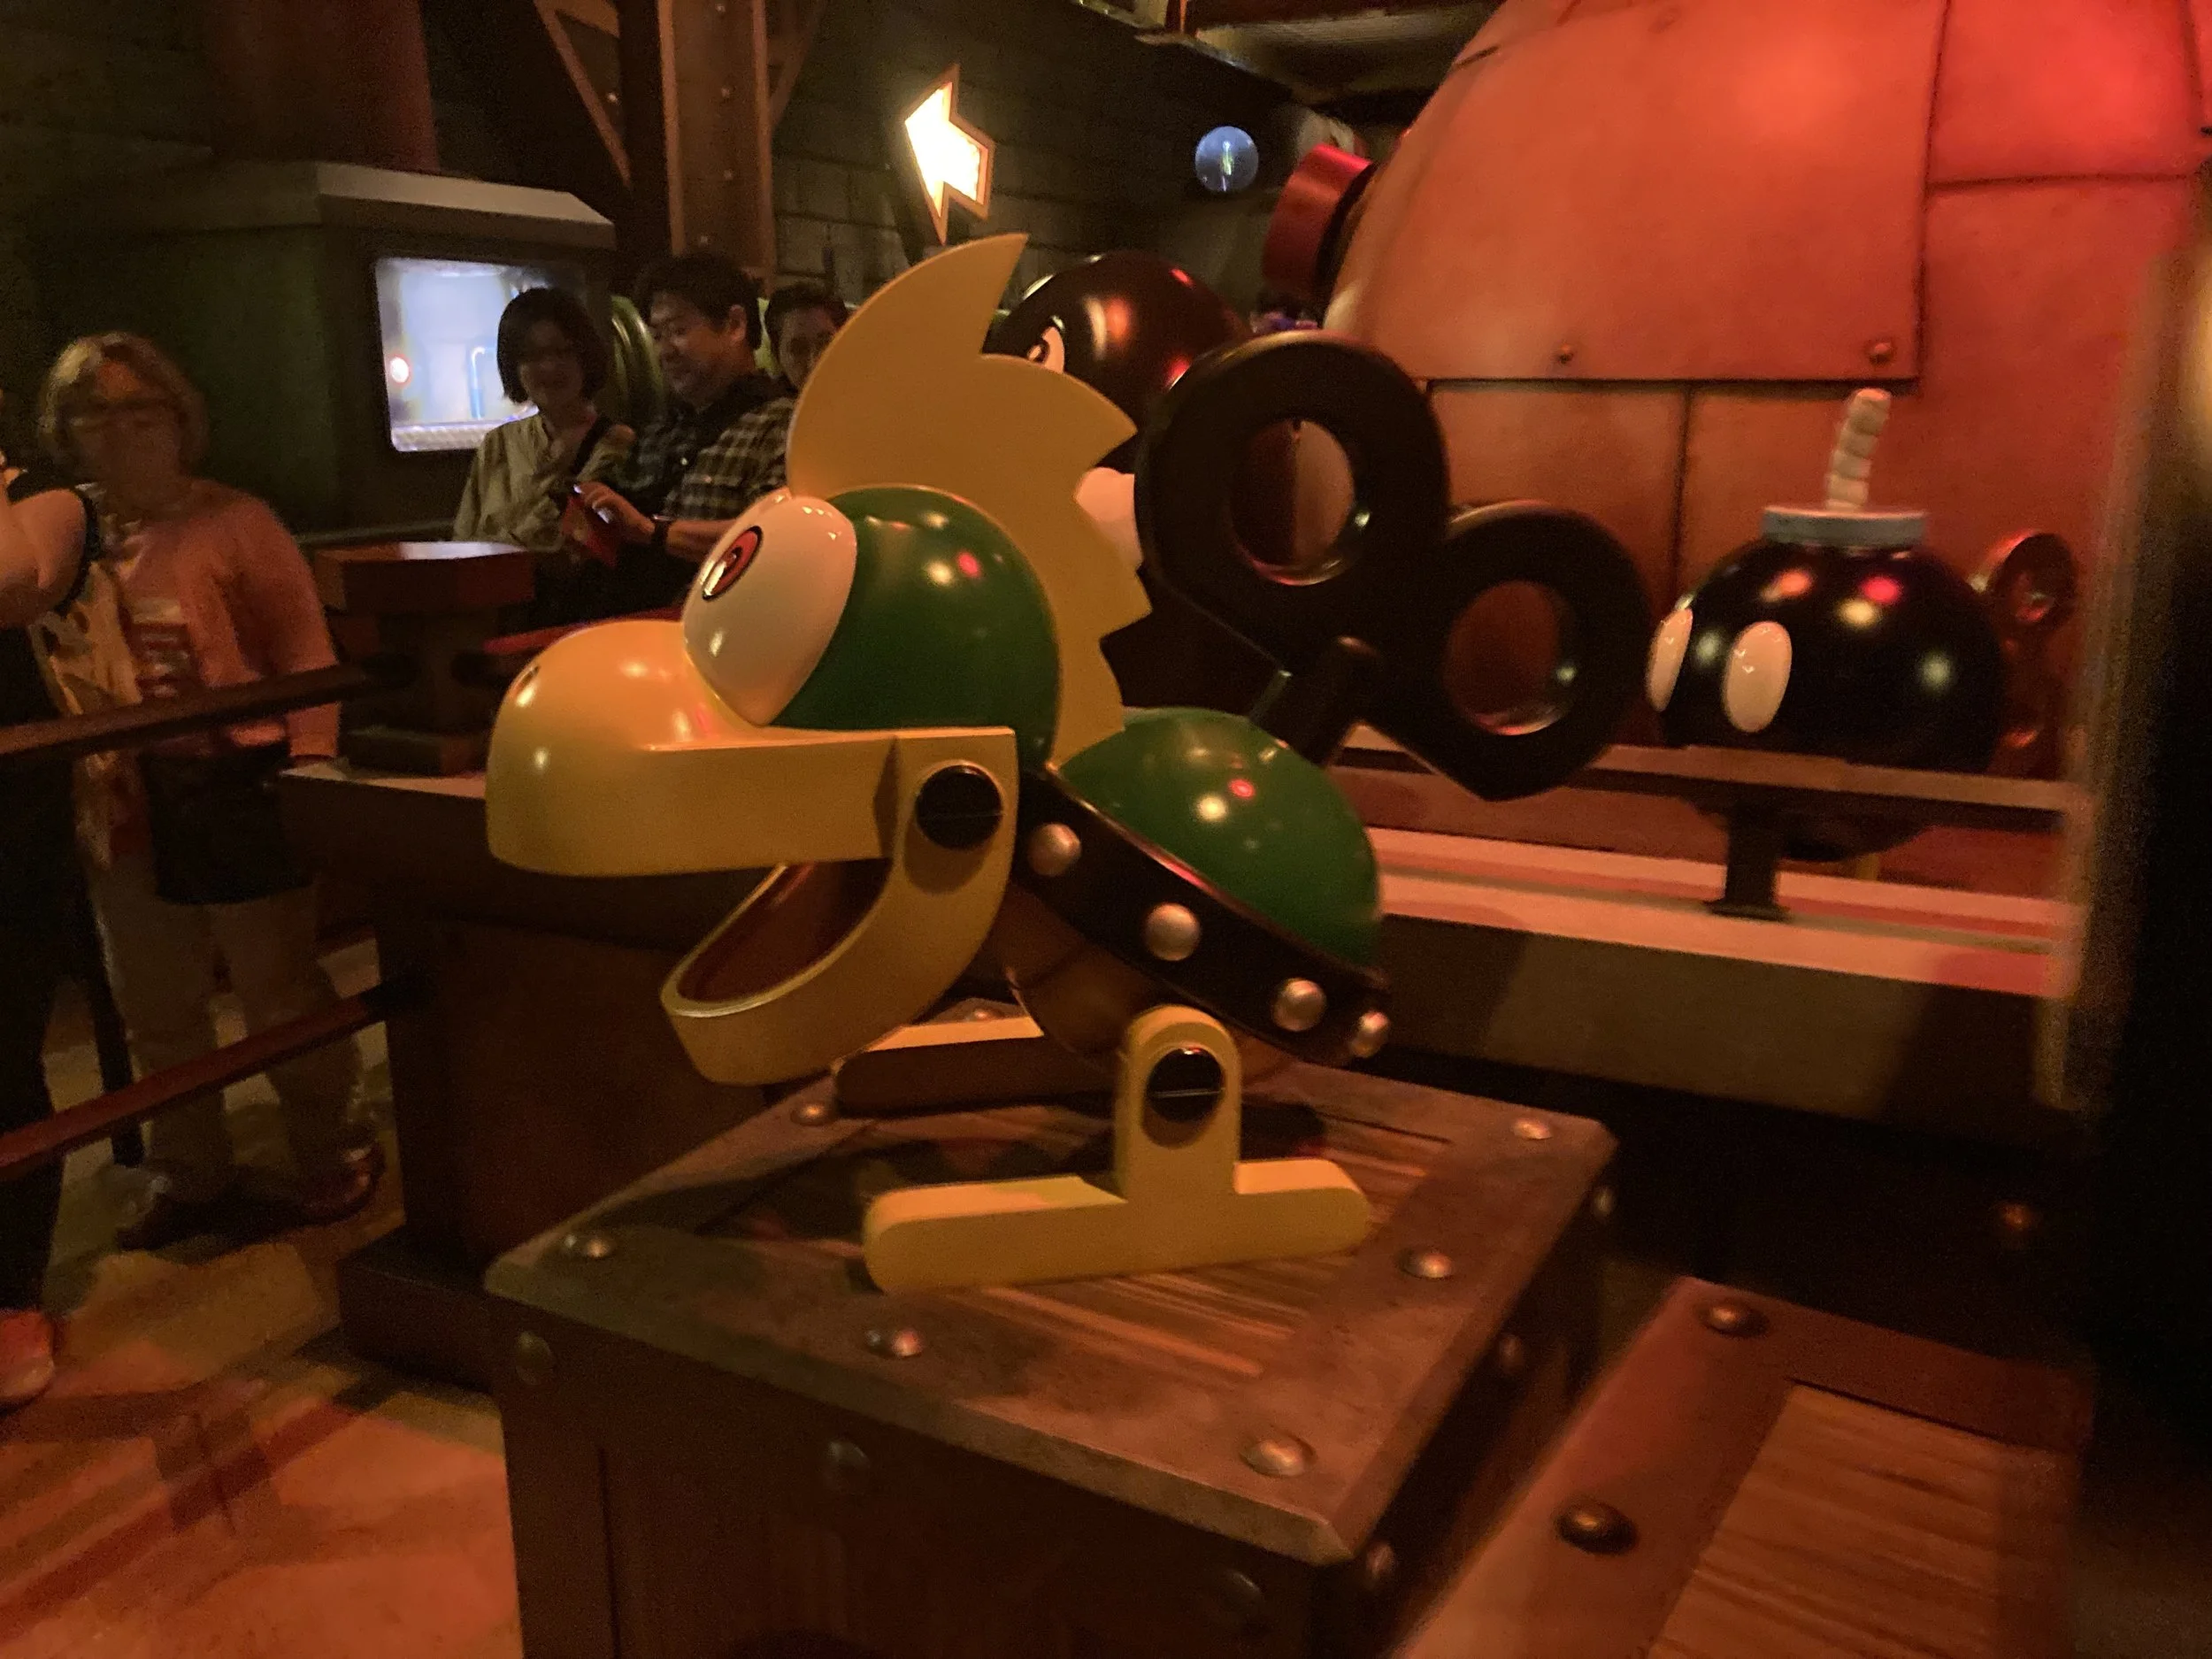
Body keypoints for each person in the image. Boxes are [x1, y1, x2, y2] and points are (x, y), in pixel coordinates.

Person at [37, 334, 379, 1252]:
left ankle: (333, 1143)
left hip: (235, 785)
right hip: (123, 797)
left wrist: (311, 765)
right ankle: (191, 1168)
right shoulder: (65, 538)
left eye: (140, 411)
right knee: (155, 1002)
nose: (120, 433)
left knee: (278, 987)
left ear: (180, 420)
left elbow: (303, 651)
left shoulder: (236, 523)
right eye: (95, 415)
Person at [0, 397, 99, 1410]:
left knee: (0, 1046)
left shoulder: (45, 499)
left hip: (9, 819)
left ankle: (9, 1294)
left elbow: (8, 586)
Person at [572, 253, 788, 611]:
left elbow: (777, 536)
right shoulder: (659, 430)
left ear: (735, 325)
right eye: (657, 336)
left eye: (678, 331)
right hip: (634, 623)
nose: (664, 352)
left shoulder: (781, 423)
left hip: (723, 625)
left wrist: (653, 532)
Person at [453, 288, 634, 619]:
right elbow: (463, 545)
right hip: (492, 619)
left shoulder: (618, 445)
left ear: (585, 356)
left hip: (571, 623)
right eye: (532, 356)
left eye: (562, 352)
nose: (549, 367)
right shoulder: (497, 445)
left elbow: (587, 559)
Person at [764, 280, 848, 397]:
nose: (814, 363)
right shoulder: (769, 408)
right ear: (777, 356)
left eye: (826, 344)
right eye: (798, 350)